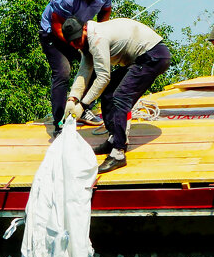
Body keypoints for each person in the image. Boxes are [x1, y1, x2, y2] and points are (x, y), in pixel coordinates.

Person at [61, 16, 171, 174]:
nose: (77, 43)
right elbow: (85, 70)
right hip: (140, 58)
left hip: (153, 56)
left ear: (84, 29)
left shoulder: (97, 38)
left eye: (78, 39)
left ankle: (118, 153)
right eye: (73, 42)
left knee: (120, 98)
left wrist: (83, 105)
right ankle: (114, 137)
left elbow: (103, 77)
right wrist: (73, 98)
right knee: (109, 93)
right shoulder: (86, 41)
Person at [40, 0, 113, 131]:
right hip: (53, 34)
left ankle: (84, 110)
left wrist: (98, 36)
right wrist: (75, 46)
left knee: (98, 62)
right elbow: (57, 24)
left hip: (81, 33)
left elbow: (105, 10)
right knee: (63, 72)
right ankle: (59, 122)